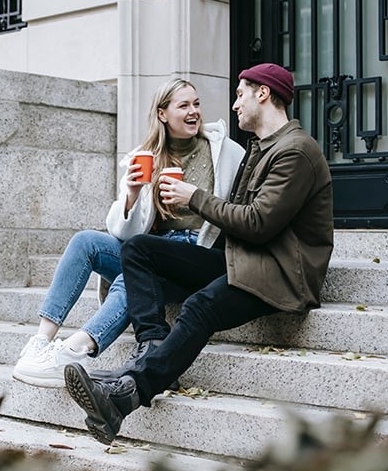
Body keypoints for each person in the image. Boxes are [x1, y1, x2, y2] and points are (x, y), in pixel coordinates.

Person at [63, 63, 334, 444]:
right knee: (140, 249)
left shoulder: (296, 152)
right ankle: (153, 348)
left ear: (263, 94)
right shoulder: (260, 148)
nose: (234, 105)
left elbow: (258, 224)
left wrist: (195, 198)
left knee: (199, 307)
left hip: (278, 272)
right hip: (241, 259)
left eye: (240, 95)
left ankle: (124, 396)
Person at [11, 78, 245, 388]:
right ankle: (41, 342)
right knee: (86, 241)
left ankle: (76, 350)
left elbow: (238, 214)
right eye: (184, 105)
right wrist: (132, 195)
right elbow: (122, 231)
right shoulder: (145, 156)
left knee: (131, 276)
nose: (194, 112)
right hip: (149, 249)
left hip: (194, 254)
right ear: (162, 114)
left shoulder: (225, 152)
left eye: (196, 104)